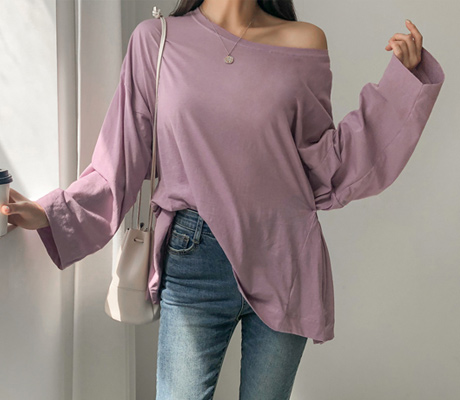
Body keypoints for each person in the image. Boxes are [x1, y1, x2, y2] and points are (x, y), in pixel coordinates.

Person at [2, 0, 445, 399]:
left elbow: (325, 166)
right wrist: (52, 212)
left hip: (286, 255)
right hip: (194, 257)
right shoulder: (156, 40)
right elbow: (121, 156)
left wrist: (401, 87)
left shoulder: (304, 41)